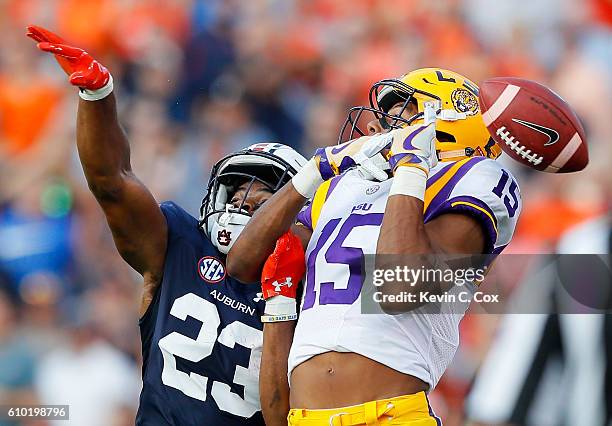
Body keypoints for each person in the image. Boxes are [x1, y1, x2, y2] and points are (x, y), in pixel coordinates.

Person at [26, 25, 307, 426]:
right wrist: (97, 96)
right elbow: (112, 183)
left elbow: (415, 290)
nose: (244, 209)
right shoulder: (180, 245)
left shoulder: (318, 282)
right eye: (237, 196)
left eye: (263, 204)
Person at [228, 68, 522, 425]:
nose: (373, 129)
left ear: (448, 120)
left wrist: (412, 168)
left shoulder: (476, 175)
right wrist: (314, 170)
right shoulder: (340, 187)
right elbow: (243, 265)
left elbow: (399, 286)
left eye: (399, 113)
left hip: (391, 414)